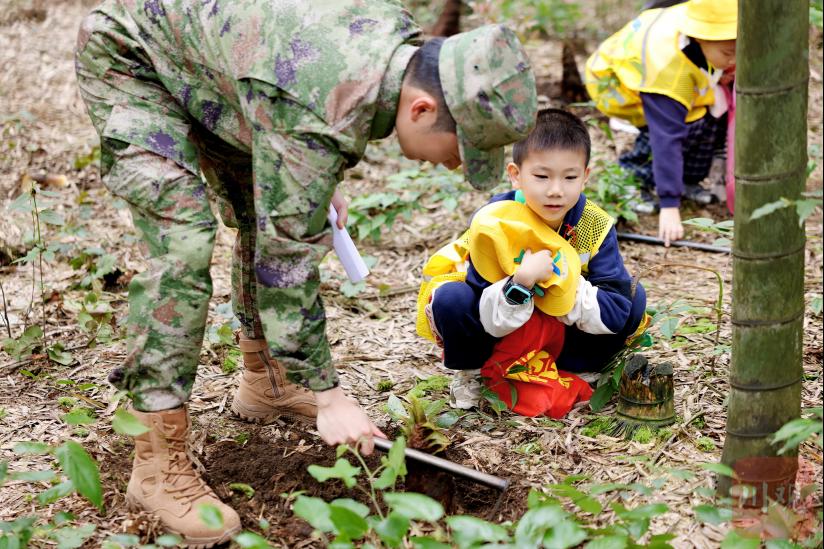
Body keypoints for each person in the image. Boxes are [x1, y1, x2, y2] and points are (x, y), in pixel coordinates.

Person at [75, 0, 537, 544]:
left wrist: (311, 176)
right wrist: (329, 396)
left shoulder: (390, 46)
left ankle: (266, 380)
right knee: (183, 243)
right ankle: (156, 464)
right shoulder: (321, 107)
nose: (455, 164)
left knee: (263, 207)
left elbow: (296, 104)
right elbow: (286, 265)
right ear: (420, 108)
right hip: (135, 53)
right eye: (460, 149)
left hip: (231, 66)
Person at [417, 109, 647, 416]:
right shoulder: (496, 220)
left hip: (565, 330)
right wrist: (521, 283)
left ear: (585, 176)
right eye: (541, 177)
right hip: (504, 329)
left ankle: (577, 368)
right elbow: (481, 303)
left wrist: (562, 282)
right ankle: (474, 372)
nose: (556, 190)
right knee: (451, 298)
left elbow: (616, 311)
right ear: (516, 174)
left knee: (633, 296)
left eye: (570, 177)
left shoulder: (594, 225)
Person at [584, 0, 737, 245]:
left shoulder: (705, 22)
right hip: (618, 83)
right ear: (699, 38)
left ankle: (687, 179)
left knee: (706, 115)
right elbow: (666, 137)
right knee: (668, 128)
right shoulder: (667, 72)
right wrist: (669, 205)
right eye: (728, 53)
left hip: (672, 74)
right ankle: (633, 180)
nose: (735, 59)